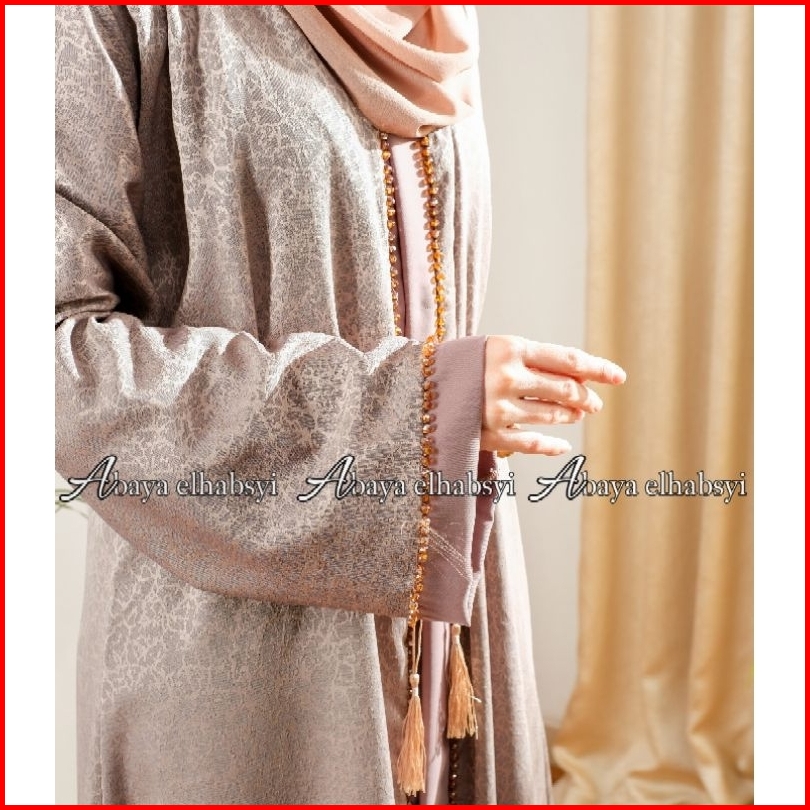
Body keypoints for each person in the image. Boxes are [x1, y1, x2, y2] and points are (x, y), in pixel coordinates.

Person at [55, 6, 625, 804]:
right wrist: (422, 405)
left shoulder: (433, 18)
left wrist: (448, 413)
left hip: (448, 606)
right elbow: (58, 361)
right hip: (240, 670)